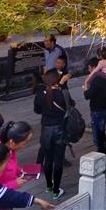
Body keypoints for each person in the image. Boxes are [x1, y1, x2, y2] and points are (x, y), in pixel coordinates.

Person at [32, 70, 73, 199]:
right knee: (58, 160)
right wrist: (61, 86)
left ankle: (49, 186)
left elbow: (37, 110)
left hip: (46, 130)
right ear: (58, 79)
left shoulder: (40, 94)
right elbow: (71, 106)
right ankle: (56, 190)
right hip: (60, 129)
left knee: (48, 159)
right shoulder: (63, 93)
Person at [84, 57, 106, 155]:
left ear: (94, 67)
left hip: (97, 109)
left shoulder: (96, 79)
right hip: (105, 107)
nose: (89, 71)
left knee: (98, 135)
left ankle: (102, 156)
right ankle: (104, 155)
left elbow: (87, 95)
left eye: (89, 68)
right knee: (101, 133)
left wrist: (86, 88)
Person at [0, 121, 34, 191]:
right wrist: (14, 184)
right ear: (12, 142)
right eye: (24, 143)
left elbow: (11, 166)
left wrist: (19, 171)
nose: (24, 146)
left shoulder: (9, 148)